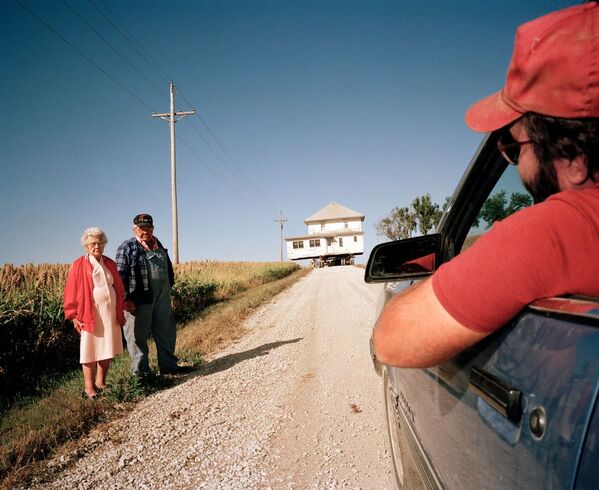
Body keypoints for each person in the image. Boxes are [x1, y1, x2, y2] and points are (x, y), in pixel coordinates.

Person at [373, 2, 599, 368]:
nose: (512, 160)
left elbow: (392, 340)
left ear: (575, 159)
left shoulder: (561, 231)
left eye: (513, 146)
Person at [116, 213, 181, 376]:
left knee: (166, 332)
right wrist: (126, 300)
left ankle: (169, 367)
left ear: (153, 228)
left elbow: (168, 269)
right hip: (139, 300)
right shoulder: (127, 247)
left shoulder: (157, 243)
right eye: (141, 229)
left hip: (162, 298)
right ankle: (142, 374)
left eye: (148, 228)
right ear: (134, 229)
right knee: (137, 337)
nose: (145, 232)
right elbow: (119, 276)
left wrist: (169, 290)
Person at [64, 227, 126, 398]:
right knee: (89, 349)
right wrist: (73, 315)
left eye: (100, 242)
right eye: (93, 243)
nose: (97, 246)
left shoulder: (110, 263)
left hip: (109, 312)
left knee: (108, 346)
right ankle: (89, 388)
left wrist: (121, 307)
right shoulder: (79, 265)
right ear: (86, 246)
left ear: (104, 244)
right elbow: (70, 291)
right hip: (89, 312)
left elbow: (118, 287)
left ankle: (101, 382)